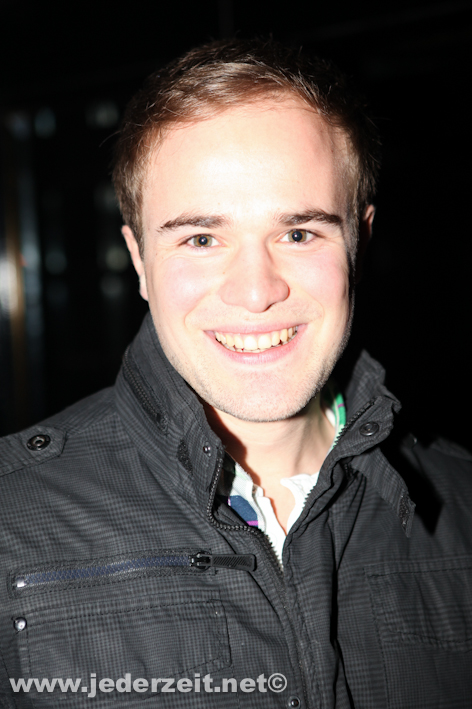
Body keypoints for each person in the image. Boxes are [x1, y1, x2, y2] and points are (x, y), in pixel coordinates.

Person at [0, 38, 471, 709]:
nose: (255, 292)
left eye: (299, 234)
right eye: (201, 238)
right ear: (138, 260)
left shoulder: (461, 504)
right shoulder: (12, 520)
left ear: (359, 245)